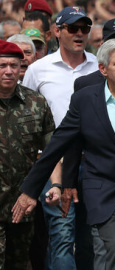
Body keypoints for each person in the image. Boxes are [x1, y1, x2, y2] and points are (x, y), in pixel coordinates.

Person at [12, 38, 115, 270]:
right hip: (104, 191)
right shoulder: (85, 100)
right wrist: (30, 190)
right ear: (103, 69)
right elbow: (57, 144)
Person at [21, 6, 99, 269]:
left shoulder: (99, 68)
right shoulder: (38, 69)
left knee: (89, 239)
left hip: (93, 165)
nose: (80, 34)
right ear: (57, 31)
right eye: (73, 28)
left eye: (84, 28)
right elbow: (27, 114)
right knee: (62, 236)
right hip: (55, 165)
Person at [0, 40, 54, 270]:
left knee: (20, 263)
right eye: (2, 65)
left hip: (23, 205)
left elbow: (52, 151)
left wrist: (56, 185)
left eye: (14, 65)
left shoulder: (36, 103)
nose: (9, 71)